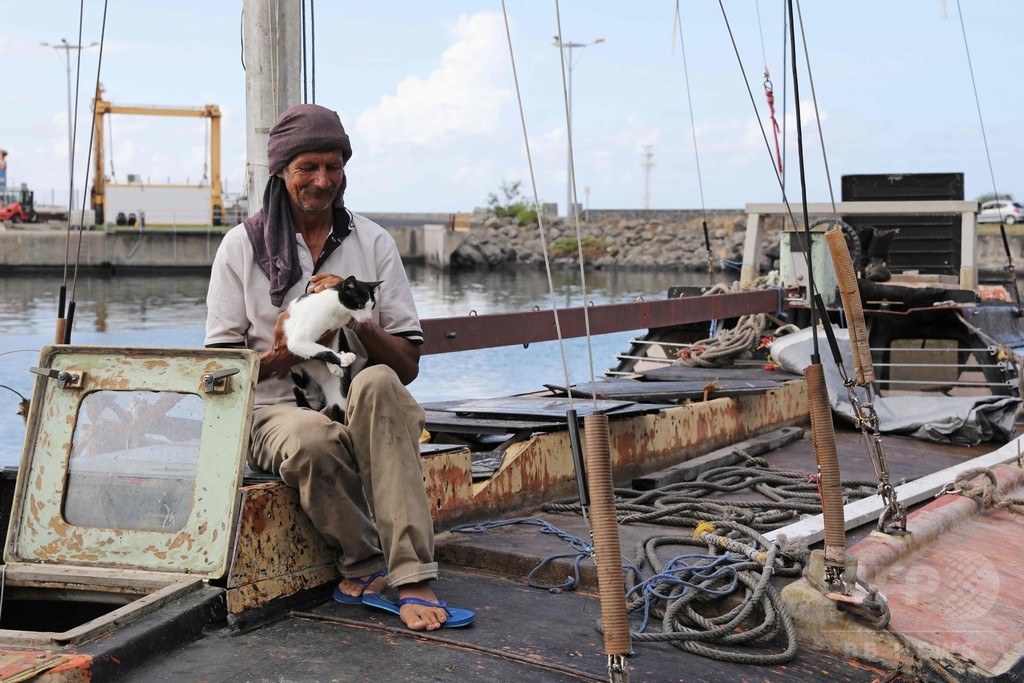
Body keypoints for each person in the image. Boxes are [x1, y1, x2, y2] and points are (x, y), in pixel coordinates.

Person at [205, 103, 470, 631]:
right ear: (281, 172)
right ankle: (367, 563)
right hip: (273, 410)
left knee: (379, 381)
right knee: (311, 438)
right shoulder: (240, 248)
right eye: (308, 167)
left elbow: (409, 364)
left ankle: (413, 572)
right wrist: (286, 351)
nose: (323, 180)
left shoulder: (372, 242)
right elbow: (218, 378)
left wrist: (359, 320)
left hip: (354, 400)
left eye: (334, 166)